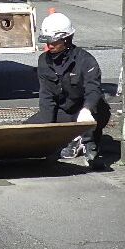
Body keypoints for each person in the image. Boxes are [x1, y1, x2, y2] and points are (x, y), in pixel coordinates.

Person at [30, 11, 111, 166]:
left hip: (89, 111)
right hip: (65, 112)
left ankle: (87, 141)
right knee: (28, 132)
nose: (49, 45)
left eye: (54, 41)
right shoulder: (44, 61)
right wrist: (45, 130)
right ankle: (71, 138)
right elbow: (46, 96)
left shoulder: (86, 61)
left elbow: (93, 90)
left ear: (66, 39)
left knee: (94, 113)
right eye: (47, 41)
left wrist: (87, 110)